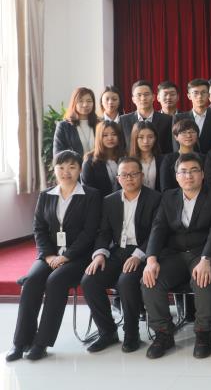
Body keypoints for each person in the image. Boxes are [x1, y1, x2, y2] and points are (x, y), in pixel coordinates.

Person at [6, 150, 101, 362]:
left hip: (79, 257)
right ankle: (20, 342)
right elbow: (38, 229)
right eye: (61, 167)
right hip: (49, 256)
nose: (66, 172)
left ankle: (41, 343)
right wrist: (48, 256)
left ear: (80, 169)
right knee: (31, 281)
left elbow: (89, 232)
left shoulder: (91, 195)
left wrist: (67, 256)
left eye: (72, 167)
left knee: (56, 281)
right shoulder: (46, 195)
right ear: (54, 169)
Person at [141, 152, 211, 359]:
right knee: (150, 280)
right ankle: (163, 333)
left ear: (202, 174)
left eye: (194, 171)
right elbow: (158, 229)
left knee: (203, 280)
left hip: (204, 253)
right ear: (177, 176)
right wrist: (151, 259)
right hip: (176, 254)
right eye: (183, 172)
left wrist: (206, 260)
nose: (189, 176)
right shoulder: (168, 197)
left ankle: (203, 333)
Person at [80, 157, 161, 353]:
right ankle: (107, 332)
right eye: (124, 175)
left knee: (126, 281)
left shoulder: (155, 198)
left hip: (144, 252)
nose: (129, 178)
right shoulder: (110, 200)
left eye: (134, 174)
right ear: (118, 178)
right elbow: (104, 232)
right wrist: (100, 254)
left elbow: (157, 232)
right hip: (118, 251)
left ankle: (131, 334)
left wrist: (139, 255)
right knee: (89, 280)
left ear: (142, 175)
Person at [120, 80, 174, 155]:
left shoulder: (167, 120)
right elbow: (121, 148)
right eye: (139, 95)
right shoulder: (123, 120)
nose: (143, 98)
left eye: (146, 94)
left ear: (153, 97)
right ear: (133, 99)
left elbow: (169, 149)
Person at [174, 79, 211, 154]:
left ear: (209, 95)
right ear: (189, 96)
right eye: (195, 93)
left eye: (203, 92)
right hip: (185, 159)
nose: (199, 96)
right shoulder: (179, 118)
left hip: (210, 159)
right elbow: (176, 144)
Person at [81, 121, 127, 198]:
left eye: (114, 134)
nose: (110, 138)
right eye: (105, 135)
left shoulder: (125, 157)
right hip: (99, 202)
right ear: (99, 137)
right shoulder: (90, 161)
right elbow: (87, 190)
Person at [53, 87, 98, 158]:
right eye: (81, 101)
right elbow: (58, 154)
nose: (85, 104)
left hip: (98, 164)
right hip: (75, 165)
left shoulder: (100, 123)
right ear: (74, 103)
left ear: (93, 103)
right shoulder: (64, 126)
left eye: (89, 101)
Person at [160, 119, 202, 192]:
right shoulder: (168, 159)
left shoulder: (204, 158)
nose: (188, 135)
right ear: (176, 137)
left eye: (192, 132)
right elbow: (165, 187)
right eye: (184, 132)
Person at [130, 121, 163, 191]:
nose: (145, 141)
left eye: (150, 137)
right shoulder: (128, 162)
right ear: (135, 139)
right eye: (141, 137)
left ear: (155, 138)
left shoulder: (163, 160)